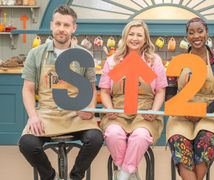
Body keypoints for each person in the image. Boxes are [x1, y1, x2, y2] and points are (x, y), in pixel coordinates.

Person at [19, 5, 103, 180]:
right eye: (58, 24)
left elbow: (91, 88)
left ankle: (76, 176)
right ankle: (51, 177)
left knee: (95, 138)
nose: (61, 29)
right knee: (27, 144)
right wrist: (33, 116)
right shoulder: (36, 54)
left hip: (75, 115)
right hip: (46, 115)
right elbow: (28, 88)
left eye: (66, 25)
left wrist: (90, 109)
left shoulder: (84, 55)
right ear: (51, 25)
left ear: (74, 28)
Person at [98, 20, 167, 180]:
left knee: (140, 136)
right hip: (118, 112)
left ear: (145, 39)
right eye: (131, 34)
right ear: (125, 36)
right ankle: (130, 172)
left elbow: (160, 90)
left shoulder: (153, 60)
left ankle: (122, 175)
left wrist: (154, 112)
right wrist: (109, 109)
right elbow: (105, 91)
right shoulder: (113, 61)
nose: (135, 38)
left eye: (139, 35)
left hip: (144, 113)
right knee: (113, 134)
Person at [166, 17, 214, 180]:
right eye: (191, 32)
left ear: (207, 32)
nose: (196, 36)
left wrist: (202, 112)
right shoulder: (177, 62)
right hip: (182, 115)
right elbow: (170, 93)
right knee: (179, 142)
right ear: (187, 36)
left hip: (210, 112)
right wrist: (183, 110)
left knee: (205, 141)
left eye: (200, 31)